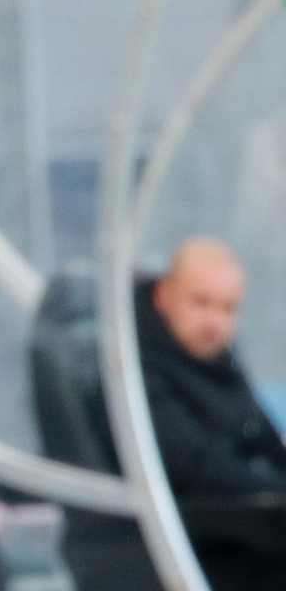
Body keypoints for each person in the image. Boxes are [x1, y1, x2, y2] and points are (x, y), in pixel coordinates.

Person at [132, 237, 286, 589]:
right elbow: (194, 466)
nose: (215, 322)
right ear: (164, 295)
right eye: (201, 302)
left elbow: (260, 435)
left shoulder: (215, 359)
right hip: (195, 543)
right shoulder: (136, 368)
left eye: (228, 309)